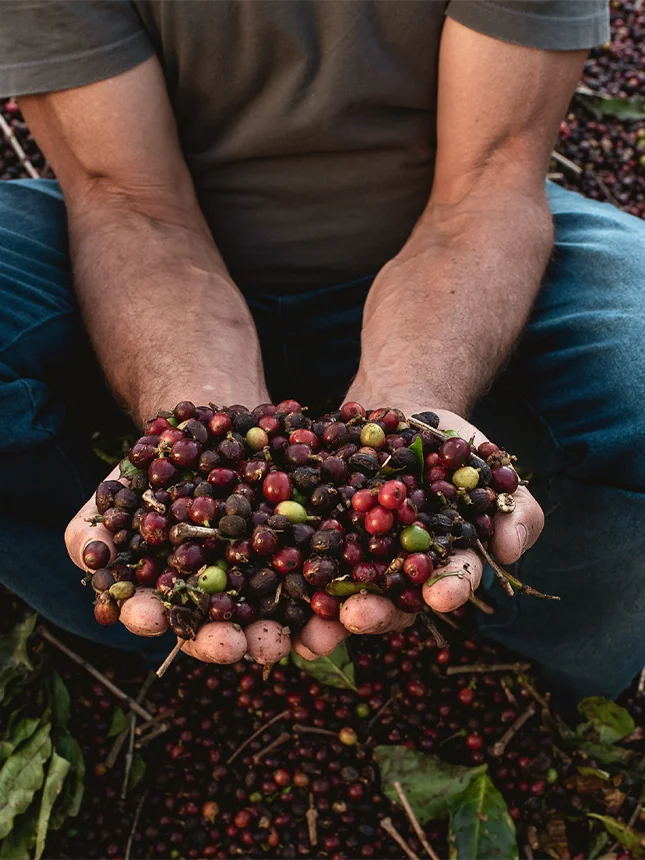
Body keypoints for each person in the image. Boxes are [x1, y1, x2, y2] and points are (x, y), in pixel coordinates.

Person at [0, 0, 642, 711]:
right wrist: (201, 432)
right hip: (152, 254)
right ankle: (156, 638)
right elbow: (126, 197)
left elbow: (488, 178)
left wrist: (411, 394)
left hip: (439, 240)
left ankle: (551, 657)